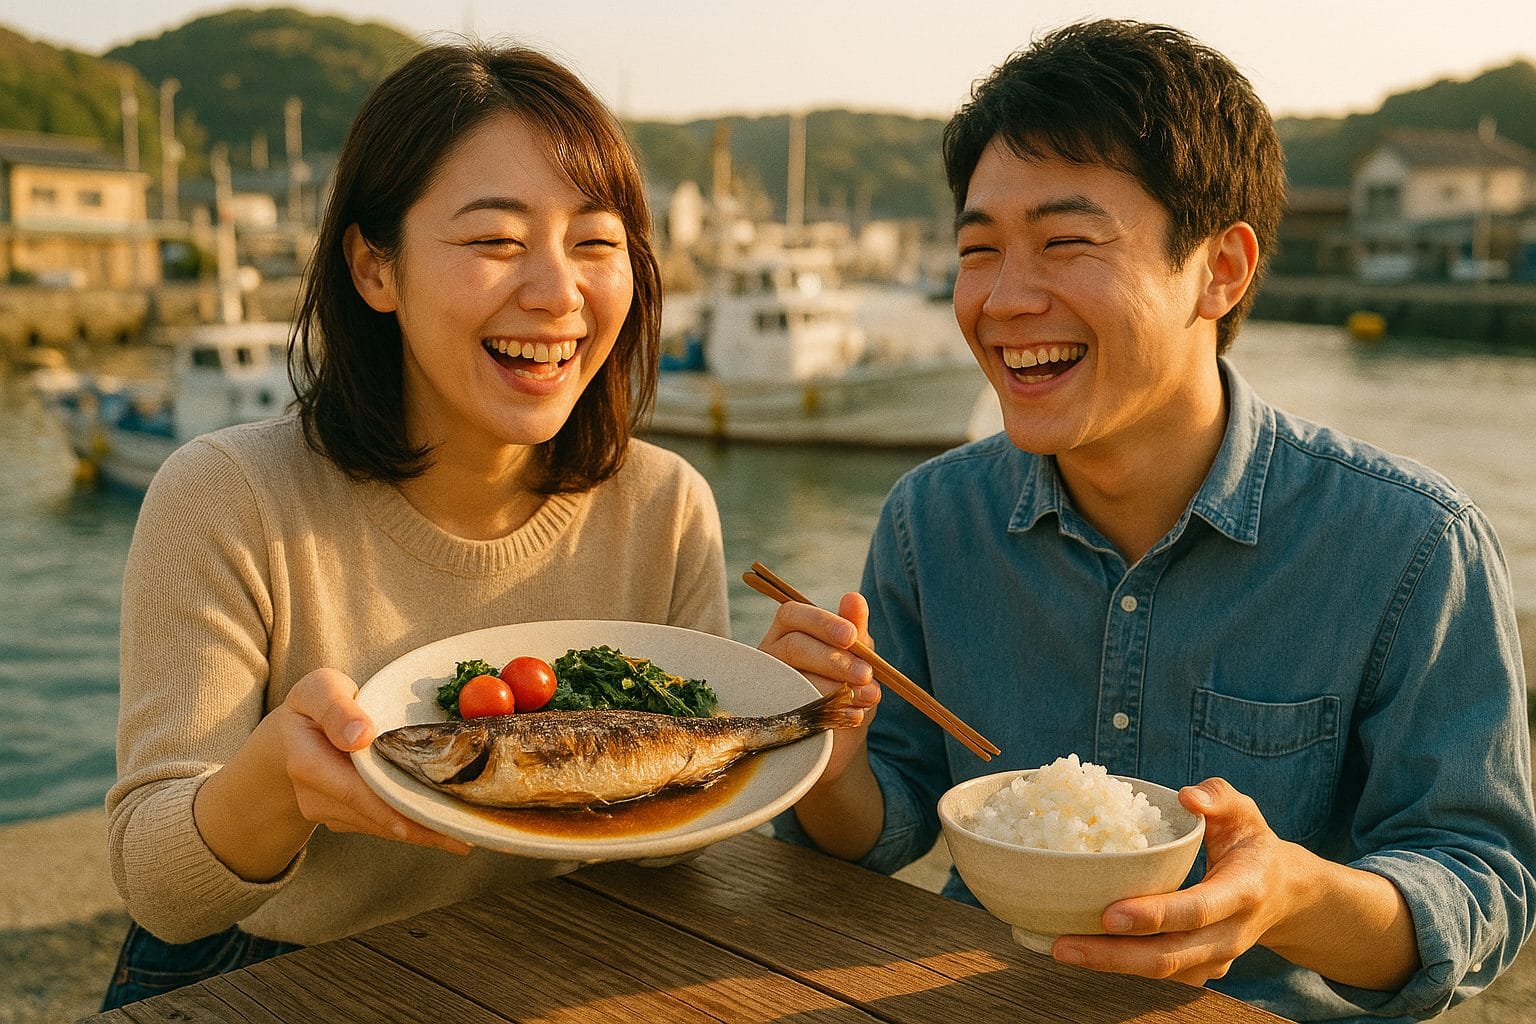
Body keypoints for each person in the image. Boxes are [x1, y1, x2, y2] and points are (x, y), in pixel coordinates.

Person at [760, 19, 1536, 1022]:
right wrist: (831, 745)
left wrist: (1289, 896)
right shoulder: (932, 517)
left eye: (1067, 243)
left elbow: (1479, 883)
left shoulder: (1411, 546)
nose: (1003, 299)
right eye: (978, 248)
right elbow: (889, 823)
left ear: (1220, 268)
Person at [102, 42, 728, 1008]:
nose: (558, 293)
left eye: (597, 242)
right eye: (495, 242)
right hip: (271, 971)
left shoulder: (665, 505)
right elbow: (157, 884)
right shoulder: (226, 497)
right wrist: (275, 784)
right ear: (374, 267)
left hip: (554, 963)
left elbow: (672, 849)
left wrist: (801, 727)